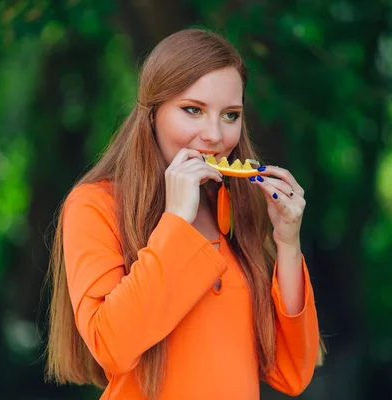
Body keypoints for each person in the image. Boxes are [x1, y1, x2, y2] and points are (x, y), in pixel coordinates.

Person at [45, 27, 325, 400]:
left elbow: (292, 371)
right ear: (152, 113)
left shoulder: (235, 208)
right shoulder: (94, 205)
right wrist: (175, 221)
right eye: (192, 110)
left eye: (230, 115)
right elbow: (111, 345)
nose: (214, 134)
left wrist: (288, 243)